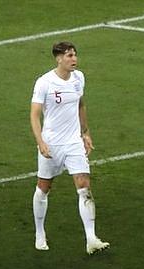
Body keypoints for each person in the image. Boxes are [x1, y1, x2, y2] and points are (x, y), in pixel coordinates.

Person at [30, 41, 109, 255]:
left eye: (74, 55)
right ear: (58, 58)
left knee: (84, 186)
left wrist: (85, 132)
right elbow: (35, 115)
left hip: (73, 142)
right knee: (43, 187)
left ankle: (91, 238)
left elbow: (80, 104)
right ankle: (39, 233)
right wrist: (41, 142)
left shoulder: (78, 78)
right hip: (52, 143)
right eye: (69, 56)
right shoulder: (45, 83)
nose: (74, 59)